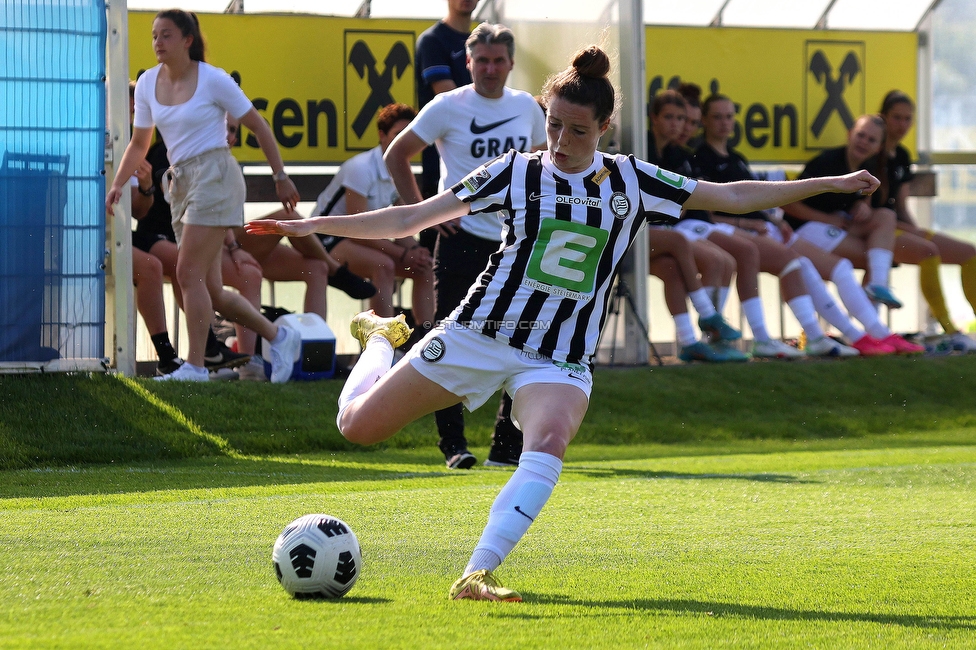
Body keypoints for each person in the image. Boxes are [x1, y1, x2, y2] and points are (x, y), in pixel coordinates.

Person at [246, 45, 880, 601]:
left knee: (546, 442)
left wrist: (831, 183)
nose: (560, 140)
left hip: (559, 357)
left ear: (604, 126)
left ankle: (476, 574)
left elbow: (733, 196)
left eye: (576, 130)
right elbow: (407, 221)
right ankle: (381, 339)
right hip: (479, 333)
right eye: (553, 125)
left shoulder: (632, 180)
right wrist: (308, 226)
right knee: (356, 429)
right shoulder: (514, 172)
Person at [106, 9, 302, 382]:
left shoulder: (213, 80)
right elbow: (139, 143)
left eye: (165, 35)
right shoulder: (147, 83)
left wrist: (281, 176)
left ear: (187, 40)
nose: (157, 43)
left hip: (216, 175)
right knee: (211, 289)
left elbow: (258, 126)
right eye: (154, 36)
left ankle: (195, 366)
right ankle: (280, 336)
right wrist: (118, 183)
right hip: (179, 184)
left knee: (187, 271)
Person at [385, 22, 546, 469]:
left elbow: (540, 169)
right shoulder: (446, 105)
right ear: (468, 62)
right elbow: (396, 155)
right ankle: (454, 446)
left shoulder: (528, 108)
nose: (491, 69)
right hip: (459, 242)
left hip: (517, 243)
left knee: (523, 341)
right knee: (447, 339)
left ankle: (506, 449)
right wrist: (422, 211)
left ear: (512, 64)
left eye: (499, 60)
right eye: (482, 60)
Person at [694, 93, 919, 357]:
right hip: (765, 230)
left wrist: (774, 220)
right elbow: (716, 208)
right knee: (804, 263)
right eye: (717, 117)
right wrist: (758, 222)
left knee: (874, 234)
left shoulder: (736, 158)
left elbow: (757, 202)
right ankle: (851, 334)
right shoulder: (700, 158)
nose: (724, 123)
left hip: (775, 229)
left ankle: (853, 332)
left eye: (729, 116)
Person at [302, 103, 435, 335]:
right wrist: (404, 254)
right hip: (325, 238)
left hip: (362, 239)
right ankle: (381, 344)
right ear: (382, 136)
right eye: (397, 135)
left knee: (424, 267)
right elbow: (359, 229)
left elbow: (402, 223)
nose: (404, 141)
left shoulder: (402, 172)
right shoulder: (360, 168)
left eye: (409, 135)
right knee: (384, 266)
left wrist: (415, 250)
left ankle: (426, 340)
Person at [878, 90, 976, 352]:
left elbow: (900, 205)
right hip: (878, 233)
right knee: (928, 251)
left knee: (970, 253)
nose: (902, 125)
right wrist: (913, 233)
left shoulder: (901, 156)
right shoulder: (872, 153)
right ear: (883, 117)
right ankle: (949, 330)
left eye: (907, 119)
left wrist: (916, 230)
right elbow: (871, 213)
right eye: (896, 118)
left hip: (901, 228)